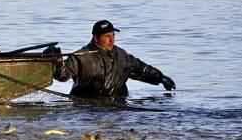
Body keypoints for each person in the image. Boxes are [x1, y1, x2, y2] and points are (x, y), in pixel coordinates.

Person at [45, 20, 176, 98]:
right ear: (96, 38)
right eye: (107, 36)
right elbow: (62, 75)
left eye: (113, 35)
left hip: (118, 105)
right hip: (86, 107)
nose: (112, 39)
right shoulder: (81, 56)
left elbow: (141, 69)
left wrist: (160, 77)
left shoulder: (122, 55)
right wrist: (55, 60)